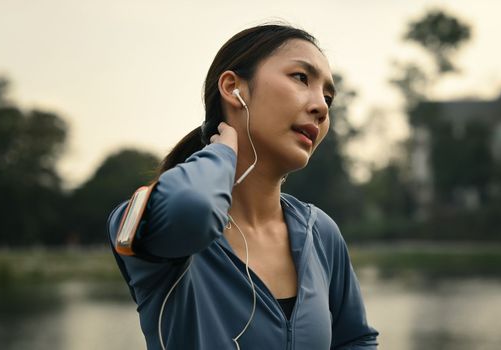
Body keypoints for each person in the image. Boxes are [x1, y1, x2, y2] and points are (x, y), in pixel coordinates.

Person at [107, 23, 379, 350]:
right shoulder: (153, 220)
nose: (321, 106)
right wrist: (222, 150)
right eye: (301, 78)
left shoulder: (319, 231)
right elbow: (194, 208)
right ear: (233, 88)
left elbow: (355, 340)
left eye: (328, 97)